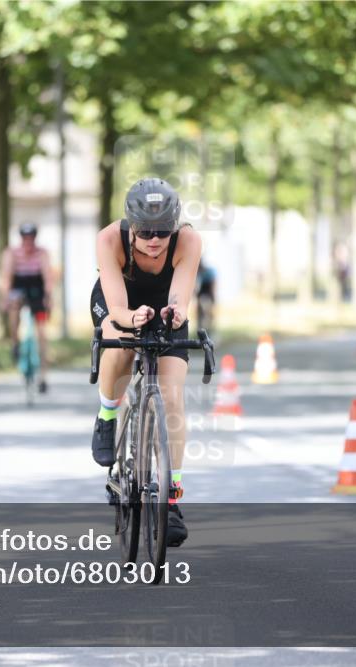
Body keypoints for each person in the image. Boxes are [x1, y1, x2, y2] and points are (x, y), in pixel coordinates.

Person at [89, 178, 202, 547]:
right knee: (119, 343)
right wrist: (129, 318)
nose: (155, 240)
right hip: (120, 300)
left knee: (172, 397)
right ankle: (108, 415)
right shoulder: (110, 240)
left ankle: (171, 497)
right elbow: (118, 308)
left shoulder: (188, 241)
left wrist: (174, 313)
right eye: (146, 231)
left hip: (164, 305)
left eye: (163, 232)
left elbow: (181, 298)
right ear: (131, 226)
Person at [0, 222, 52, 393]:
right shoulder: (12, 253)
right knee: (14, 314)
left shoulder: (42, 253)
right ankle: (15, 342)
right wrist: (5, 298)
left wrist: (49, 297)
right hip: (18, 289)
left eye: (31, 238)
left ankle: (43, 377)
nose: (28, 242)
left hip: (37, 290)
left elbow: (48, 277)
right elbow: (6, 277)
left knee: (42, 334)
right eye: (25, 238)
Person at [195, 259, 217, 333]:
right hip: (201, 295)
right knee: (200, 314)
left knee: (208, 313)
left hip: (207, 295)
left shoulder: (209, 272)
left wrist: (213, 296)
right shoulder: (198, 273)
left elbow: (213, 284)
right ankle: (200, 330)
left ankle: (209, 329)